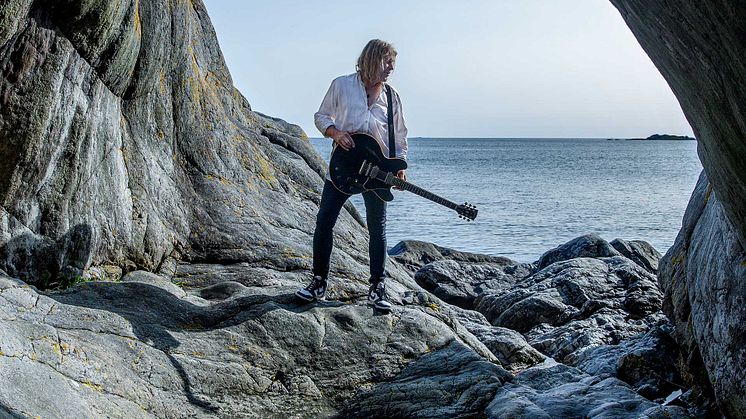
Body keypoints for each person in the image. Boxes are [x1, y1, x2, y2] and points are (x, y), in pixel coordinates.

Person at [295, 39, 408, 312]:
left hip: (376, 172)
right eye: (387, 60)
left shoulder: (392, 97)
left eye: (394, 62)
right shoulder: (342, 85)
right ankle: (318, 282)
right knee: (325, 221)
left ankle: (377, 288)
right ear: (371, 59)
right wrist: (335, 133)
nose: (392, 67)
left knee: (377, 229)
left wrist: (400, 166)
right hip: (342, 167)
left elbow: (400, 136)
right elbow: (321, 116)